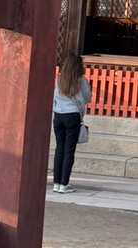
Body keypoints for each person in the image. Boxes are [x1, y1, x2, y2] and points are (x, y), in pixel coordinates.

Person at [52, 53, 91, 193]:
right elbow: (87, 98)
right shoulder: (81, 81)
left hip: (58, 116)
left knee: (59, 149)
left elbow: (54, 97)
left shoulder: (59, 79)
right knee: (69, 151)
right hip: (73, 115)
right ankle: (64, 184)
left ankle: (56, 183)